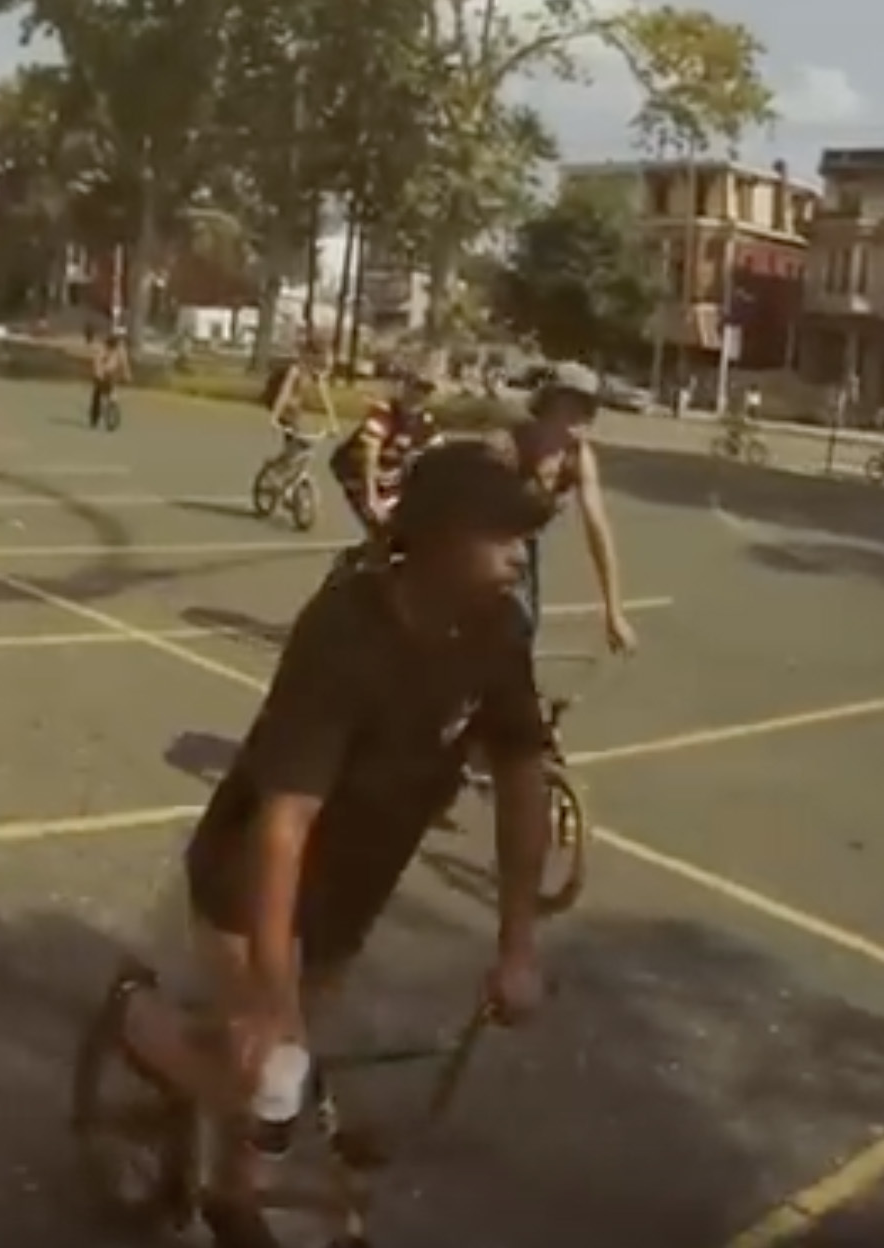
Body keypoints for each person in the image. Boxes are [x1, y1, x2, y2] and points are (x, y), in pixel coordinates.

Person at [101, 440, 552, 1247]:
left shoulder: (498, 630)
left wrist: (517, 942)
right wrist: (271, 994)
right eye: (504, 534)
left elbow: (523, 775)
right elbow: (283, 822)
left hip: (353, 890)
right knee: (271, 1071)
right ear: (442, 538)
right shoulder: (345, 633)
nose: (524, 551)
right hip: (251, 878)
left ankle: (232, 1197)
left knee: (280, 1092)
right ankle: (139, 1022)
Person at [495, 363, 636, 654]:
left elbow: (598, 531)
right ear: (548, 405)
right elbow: (466, 511)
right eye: (572, 402)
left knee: (525, 627)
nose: (582, 414)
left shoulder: (578, 458)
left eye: (588, 407)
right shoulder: (509, 447)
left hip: (523, 543)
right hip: (478, 535)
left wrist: (613, 612)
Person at [332, 369, 440, 557]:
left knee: (409, 528)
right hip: (358, 476)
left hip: (390, 479)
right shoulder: (384, 412)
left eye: (426, 391)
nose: (420, 396)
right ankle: (363, 574)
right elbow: (369, 455)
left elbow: (440, 458)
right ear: (405, 387)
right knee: (382, 530)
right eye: (416, 388)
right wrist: (371, 498)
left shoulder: (425, 422)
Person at [89, 330, 130, 428]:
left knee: (112, 390)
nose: (116, 342)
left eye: (118, 339)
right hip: (101, 373)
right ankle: (94, 417)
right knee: (97, 395)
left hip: (112, 374)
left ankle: (112, 408)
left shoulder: (121, 349)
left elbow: (124, 363)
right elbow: (97, 361)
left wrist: (127, 375)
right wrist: (98, 373)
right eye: (114, 339)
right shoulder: (103, 348)